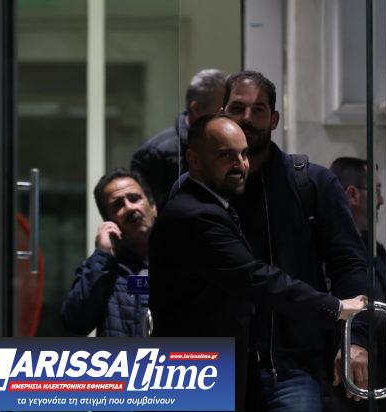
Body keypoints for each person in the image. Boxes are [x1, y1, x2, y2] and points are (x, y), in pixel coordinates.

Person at [148, 114, 368, 412]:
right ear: (194, 160)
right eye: (226, 155)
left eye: (244, 154)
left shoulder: (212, 207)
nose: (240, 164)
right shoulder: (195, 215)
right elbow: (258, 279)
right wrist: (336, 307)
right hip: (190, 371)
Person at [222, 71, 380, 411]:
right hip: (216, 366)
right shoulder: (200, 189)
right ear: (222, 115)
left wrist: (355, 339)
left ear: (274, 119)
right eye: (237, 108)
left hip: (294, 367)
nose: (246, 118)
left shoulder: (312, 183)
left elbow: (350, 267)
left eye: (258, 109)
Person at [62, 169, 157, 337]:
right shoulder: (102, 268)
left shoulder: (183, 258)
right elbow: (73, 324)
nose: (129, 207)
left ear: (153, 207)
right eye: (118, 205)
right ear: (109, 222)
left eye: (134, 198)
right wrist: (103, 255)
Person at [330, 157, 386, 411]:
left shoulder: (377, 252)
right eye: (376, 190)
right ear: (353, 195)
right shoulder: (325, 249)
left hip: (376, 380)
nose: (381, 200)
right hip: (338, 382)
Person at [130, 69, 227, 207]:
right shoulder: (154, 153)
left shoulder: (229, 145)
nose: (228, 116)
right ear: (196, 108)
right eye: (222, 110)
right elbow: (148, 213)